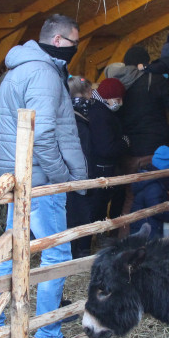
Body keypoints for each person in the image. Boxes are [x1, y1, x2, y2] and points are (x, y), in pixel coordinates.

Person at [0, 14, 88, 338]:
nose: (75, 48)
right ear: (57, 41)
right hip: (39, 178)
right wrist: (61, 177)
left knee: (14, 249)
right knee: (57, 253)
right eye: (74, 42)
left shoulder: (20, 68)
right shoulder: (43, 73)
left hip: (21, 173)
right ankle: (47, 333)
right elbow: (42, 135)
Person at [106, 45, 169, 226]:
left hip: (125, 150)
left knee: (127, 196)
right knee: (153, 195)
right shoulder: (155, 81)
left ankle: (119, 236)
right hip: (153, 150)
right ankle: (147, 240)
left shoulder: (118, 83)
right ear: (144, 63)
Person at [88, 77, 129, 226]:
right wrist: (125, 142)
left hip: (98, 167)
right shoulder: (100, 114)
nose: (120, 103)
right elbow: (106, 148)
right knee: (97, 206)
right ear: (109, 97)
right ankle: (91, 241)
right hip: (101, 168)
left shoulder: (95, 107)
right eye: (118, 99)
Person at [66, 76, 94, 258]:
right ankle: (80, 251)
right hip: (81, 170)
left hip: (68, 172)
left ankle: (73, 250)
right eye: (90, 92)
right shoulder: (82, 117)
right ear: (85, 93)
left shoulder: (64, 112)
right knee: (82, 211)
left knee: (70, 211)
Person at [129, 145, 169, 239]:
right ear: (167, 169)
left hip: (146, 226)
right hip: (148, 230)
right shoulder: (153, 186)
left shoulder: (152, 180)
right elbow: (156, 209)